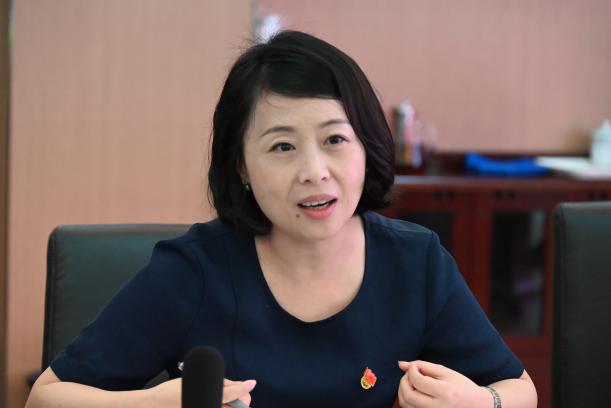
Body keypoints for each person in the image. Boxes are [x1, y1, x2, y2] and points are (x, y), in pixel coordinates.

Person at [26, 30, 537, 408]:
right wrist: (154, 404)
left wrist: (482, 402)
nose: (314, 172)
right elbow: (46, 398)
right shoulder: (194, 270)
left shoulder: (414, 261)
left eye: (335, 139)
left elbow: (520, 389)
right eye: (282, 147)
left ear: (366, 147)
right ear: (241, 167)